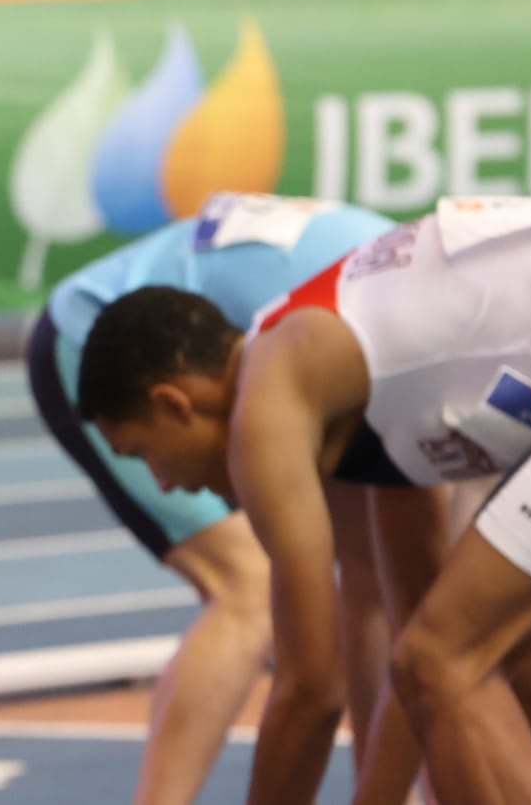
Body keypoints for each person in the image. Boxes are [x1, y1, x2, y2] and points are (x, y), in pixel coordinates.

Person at [76, 197, 531, 805]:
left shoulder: (268, 402)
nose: (163, 486)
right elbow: (413, 663)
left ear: (173, 404)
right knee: (520, 656)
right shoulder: (360, 400)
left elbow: (312, 687)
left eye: (141, 453)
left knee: (445, 660)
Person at [27, 191, 410, 805]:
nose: (167, 484)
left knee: (381, 585)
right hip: (96, 341)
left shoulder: (373, 323)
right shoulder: (354, 329)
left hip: (253, 337)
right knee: (247, 586)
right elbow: (316, 684)